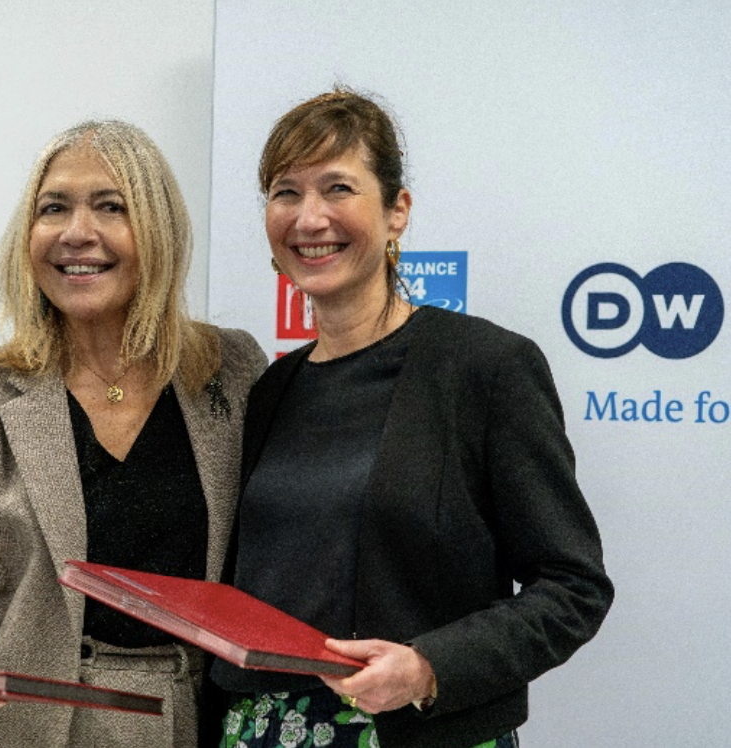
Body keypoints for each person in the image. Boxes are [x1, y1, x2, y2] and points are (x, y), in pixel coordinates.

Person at [209, 89, 614, 748]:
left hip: (423, 730)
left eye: (337, 188)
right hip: (260, 732)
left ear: (398, 211)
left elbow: (573, 587)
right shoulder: (271, 390)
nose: (309, 218)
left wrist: (429, 668)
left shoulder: (485, 366)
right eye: (286, 193)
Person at [0, 120, 268, 747]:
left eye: (111, 207)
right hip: (29, 725)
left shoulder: (231, 370)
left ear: (159, 230)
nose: (76, 233)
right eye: (53, 208)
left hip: (201, 721)